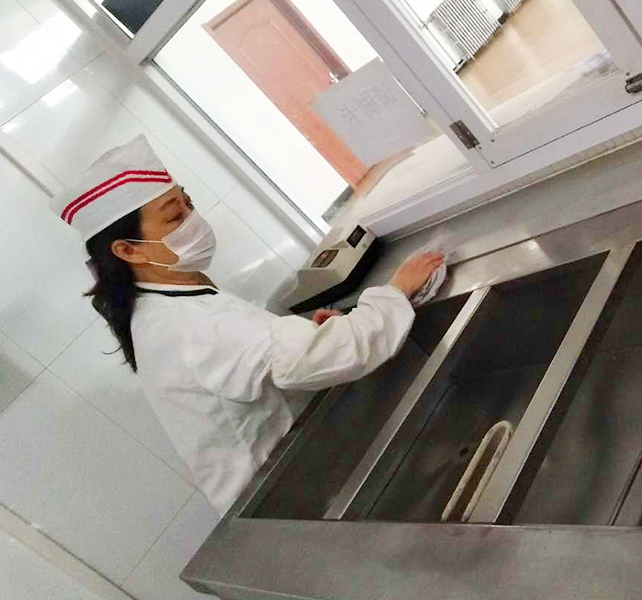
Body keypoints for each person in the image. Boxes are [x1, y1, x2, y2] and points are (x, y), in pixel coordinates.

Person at [51, 135, 444, 515]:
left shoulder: (160, 305)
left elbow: (256, 359)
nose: (193, 221)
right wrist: (394, 292)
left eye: (188, 203)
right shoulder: (190, 324)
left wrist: (304, 336)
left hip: (286, 477)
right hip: (288, 496)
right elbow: (334, 353)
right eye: (174, 216)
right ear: (128, 250)